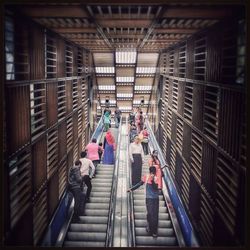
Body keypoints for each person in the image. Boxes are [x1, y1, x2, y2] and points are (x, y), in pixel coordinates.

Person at [127, 166, 160, 238]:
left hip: (155, 199)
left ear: (155, 173)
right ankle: (149, 227)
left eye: (153, 173)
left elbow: (156, 188)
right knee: (150, 214)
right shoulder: (146, 177)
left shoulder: (157, 178)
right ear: (150, 172)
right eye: (152, 172)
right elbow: (140, 183)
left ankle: (154, 231)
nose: (152, 174)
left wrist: (153, 180)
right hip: (149, 198)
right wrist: (131, 189)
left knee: (155, 215)